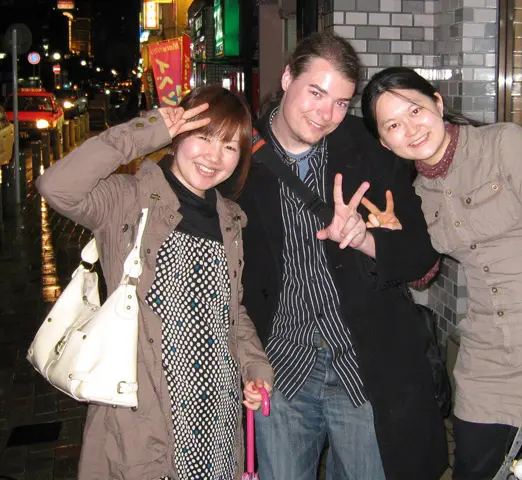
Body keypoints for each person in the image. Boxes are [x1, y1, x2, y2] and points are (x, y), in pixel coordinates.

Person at [360, 67, 522, 479]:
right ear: (384, 141)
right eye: (393, 125)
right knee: (474, 464)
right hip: (488, 353)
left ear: (437, 102)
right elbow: (424, 274)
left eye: (415, 110)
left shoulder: (504, 144)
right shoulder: (416, 194)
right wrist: (396, 241)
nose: (410, 129)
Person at [236, 33, 448, 480]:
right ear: (288, 77)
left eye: (340, 102)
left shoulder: (368, 149)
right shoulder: (239, 156)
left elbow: (420, 257)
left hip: (363, 365)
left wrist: (368, 239)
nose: (325, 114)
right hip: (280, 368)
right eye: (316, 93)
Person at [37, 85, 273, 480]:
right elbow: (56, 186)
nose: (214, 156)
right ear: (177, 135)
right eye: (203, 137)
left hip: (217, 414)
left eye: (230, 146)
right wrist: (147, 130)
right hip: (144, 412)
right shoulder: (128, 199)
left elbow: (229, 309)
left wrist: (254, 365)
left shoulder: (229, 218)